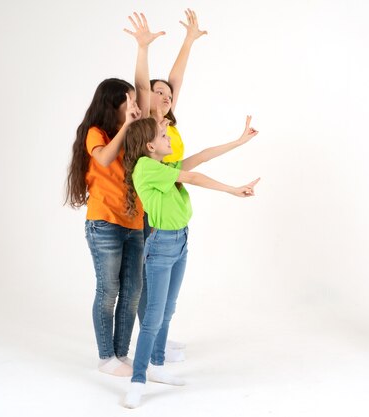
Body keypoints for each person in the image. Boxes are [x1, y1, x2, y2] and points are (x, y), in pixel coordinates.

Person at [122, 116, 260, 408]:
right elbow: (193, 178)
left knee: (168, 310)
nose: (169, 138)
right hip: (161, 246)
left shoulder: (161, 166)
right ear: (149, 145)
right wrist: (233, 190)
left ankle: (157, 365)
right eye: (163, 135)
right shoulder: (146, 167)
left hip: (181, 241)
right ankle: (137, 380)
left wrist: (238, 142)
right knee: (153, 318)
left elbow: (199, 158)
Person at [124, 9, 207, 360]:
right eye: (161, 93)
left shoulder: (168, 126)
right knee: (151, 278)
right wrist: (143, 49)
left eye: (169, 95)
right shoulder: (145, 122)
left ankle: (158, 337)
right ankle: (150, 338)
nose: (167, 95)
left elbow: (176, 80)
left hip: (172, 198)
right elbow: (145, 85)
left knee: (163, 282)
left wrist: (189, 41)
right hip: (153, 206)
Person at [65, 79, 144, 376]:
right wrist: (126, 126)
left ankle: (121, 354)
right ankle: (105, 357)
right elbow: (105, 157)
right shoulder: (95, 133)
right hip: (104, 223)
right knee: (109, 289)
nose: (135, 107)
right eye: (130, 101)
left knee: (132, 290)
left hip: (134, 222)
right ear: (114, 105)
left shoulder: (133, 131)